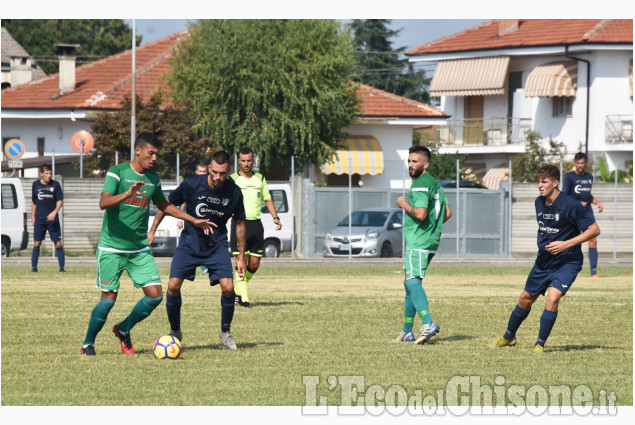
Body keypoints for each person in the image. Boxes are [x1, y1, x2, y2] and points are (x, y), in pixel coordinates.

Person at [81, 132, 213, 356]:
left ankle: (123, 328)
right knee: (108, 301)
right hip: (112, 247)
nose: (154, 158)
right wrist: (127, 193)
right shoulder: (117, 172)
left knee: (155, 295)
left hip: (139, 248)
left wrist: (193, 219)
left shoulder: (153, 179)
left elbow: (164, 205)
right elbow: (103, 203)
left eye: (157, 154)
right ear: (138, 151)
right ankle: (88, 344)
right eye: (150, 153)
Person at [495, 164, 600, 353]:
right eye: (538, 182)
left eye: (544, 182)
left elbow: (594, 230)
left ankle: (539, 344)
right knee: (525, 298)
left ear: (555, 183)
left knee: (552, 298)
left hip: (567, 261)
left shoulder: (571, 204)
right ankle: (509, 336)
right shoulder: (539, 202)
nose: (540, 185)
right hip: (544, 261)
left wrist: (565, 244)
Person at [148, 150, 247, 350]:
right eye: (215, 172)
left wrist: (241, 256)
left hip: (217, 245)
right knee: (173, 286)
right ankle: (175, 330)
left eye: (223, 173)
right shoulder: (192, 184)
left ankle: (225, 332)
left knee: (228, 288)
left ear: (229, 171)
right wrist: (152, 231)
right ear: (209, 169)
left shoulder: (234, 192)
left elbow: (240, 224)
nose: (218, 177)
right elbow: (165, 205)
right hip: (189, 244)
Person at [394, 146, 452, 345]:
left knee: (412, 281)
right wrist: (432, 229)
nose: (410, 165)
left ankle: (428, 323)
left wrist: (403, 204)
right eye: (409, 161)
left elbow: (420, 214)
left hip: (418, 241)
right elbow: (447, 213)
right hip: (429, 241)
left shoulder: (419, 184)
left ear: (425, 164)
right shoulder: (435, 183)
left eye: (415, 162)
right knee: (408, 281)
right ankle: (407, 330)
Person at [229, 147, 282, 308]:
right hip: (239, 224)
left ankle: (237, 290)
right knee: (240, 262)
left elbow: (267, 199)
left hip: (256, 225)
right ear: (239, 161)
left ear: (253, 160)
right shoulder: (232, 179)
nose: (246, 163)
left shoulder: (260, 178)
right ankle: (244, 298)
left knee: (254, 264)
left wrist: (276, 217)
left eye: (249, 160)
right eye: (243, 161)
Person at [561, 152, 603, 278]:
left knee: (593, 238)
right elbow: (564, 196)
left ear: (585, 163)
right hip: (573, 212)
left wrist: (597, 202)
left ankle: (593, 272)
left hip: (586, 213)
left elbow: (587, 195)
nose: (580, 165)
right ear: (575, 163)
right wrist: (577, 203)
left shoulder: (589, 177)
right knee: (569, 240)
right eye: (578, 163)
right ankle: (563, 268)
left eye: (582, 163)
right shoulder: (569, 177)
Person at [31, 164, 65, 272]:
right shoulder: (35, 185)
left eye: (50, 173)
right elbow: (34, 202)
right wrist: (33, 216)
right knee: (37, 243)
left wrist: (54, 212)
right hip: (40, 220)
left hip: (52, 220)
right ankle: (34, 268)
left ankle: (62, 269)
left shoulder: (55, 185)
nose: (49, 175)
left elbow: (60, 201)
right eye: (46, 173)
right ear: (41, 174)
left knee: (58, 243)